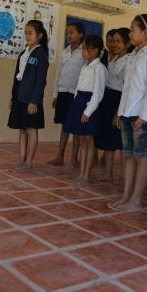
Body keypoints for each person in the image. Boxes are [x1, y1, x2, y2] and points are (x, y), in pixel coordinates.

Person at [109, 15, 147, 211]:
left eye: (133, 30)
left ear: (145, 32)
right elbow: (127, 87)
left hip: (141, 115)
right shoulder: (133, 55)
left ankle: (136, 200)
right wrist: (120, 112)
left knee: (140, 156)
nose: (130, 33)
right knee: (128, 156)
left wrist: (144, 116)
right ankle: (126, 196)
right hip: (127, 112)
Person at [63, 35, 107, 187]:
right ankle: (81, 174)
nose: (82, 52)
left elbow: (98, 93)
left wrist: (87, 112)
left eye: (85, 49)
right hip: (79, 103)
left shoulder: (99, 68)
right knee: (82, 141)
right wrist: (76, 105)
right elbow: (78, 88)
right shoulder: (85, 66)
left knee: (88, 141)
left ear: (94, 51)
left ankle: (86, 176)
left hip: (89, 106)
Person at [8, 20, 49, 172]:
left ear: (39, 35)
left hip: (31, 97)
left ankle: (29, 162)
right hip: (20, 95)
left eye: (31, 33)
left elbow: (41, 80)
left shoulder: (41, 54)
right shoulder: (23, 53)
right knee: (22, 129)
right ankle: (22, 159)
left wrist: (34, 101)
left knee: (31, 129)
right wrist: (13, 97)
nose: (27, 36)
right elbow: (16, 77)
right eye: (26, 33)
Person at [95, 28, 129, 183]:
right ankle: (108, 173)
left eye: (118, 41)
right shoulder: (111, 58)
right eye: (113, 41)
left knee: (121, 142)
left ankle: (123, 175)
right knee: (108, 139)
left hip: (119, 100)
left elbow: (127, 88)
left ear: (127, 43)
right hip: (107, 99)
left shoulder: (129, 61)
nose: (114, 44)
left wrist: (118, 113)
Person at [49, 23, 85, 168]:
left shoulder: (84, 52)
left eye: (72, 32)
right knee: (64, 126)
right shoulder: (64, 52)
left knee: (76, 128)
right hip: (63, 93)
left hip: (76, 94)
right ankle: (60, 156)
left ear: (81, 34)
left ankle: (74, 158)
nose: (68, 35)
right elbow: (58, 75)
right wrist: (55, 94)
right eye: (67, 33)